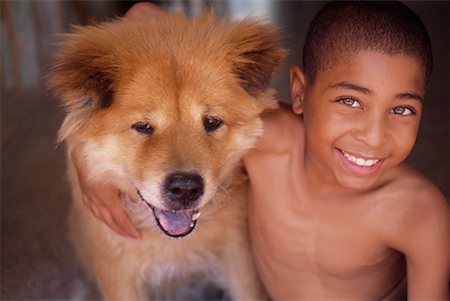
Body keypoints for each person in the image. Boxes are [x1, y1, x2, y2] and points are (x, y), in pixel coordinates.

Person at [71, 1, 449, 299]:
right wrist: (84, 161)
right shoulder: (270, 140)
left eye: (401, 109)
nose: (372, 135)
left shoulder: (419, 212)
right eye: (350, 101)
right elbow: (142, 15)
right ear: (298, 92)